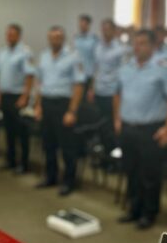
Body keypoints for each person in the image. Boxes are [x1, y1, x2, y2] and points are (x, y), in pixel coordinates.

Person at [114, 29, 167, 230]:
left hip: (150, 128)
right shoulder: (126, 67)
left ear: (152, 46)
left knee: (149, 175)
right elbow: (117, 94)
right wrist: (117, 118)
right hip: (128, 126)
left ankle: (149, 212)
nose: (137, 47)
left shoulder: (163, 68)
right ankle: (134, 209)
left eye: (142, 43)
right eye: (135, 43)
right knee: (131, 171)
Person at [33, 26, 85, 195]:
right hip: (47, 103)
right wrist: (38, 105)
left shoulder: (73, 57)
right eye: (52, 37)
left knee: (67, 146)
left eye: (59, 37)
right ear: (48, 39)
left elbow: (79, 86)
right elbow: (39, 83)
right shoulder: (44, 56)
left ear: (63, 39)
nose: (55, 40)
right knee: (48, 145)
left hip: (63, 105)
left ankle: (69, 181)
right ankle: (51, 177)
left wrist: (72, 111)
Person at [0, 24, 36, 174]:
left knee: (21, 133)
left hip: (18, 97)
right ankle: (10, 160)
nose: (9, 37)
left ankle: (23, 164)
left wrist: (25, 96)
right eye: (8, 34)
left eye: (12, 34)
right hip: (5, 96)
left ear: (18, 36)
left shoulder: (25, 52)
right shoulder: (2, 52)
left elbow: (30, 76)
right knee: (9, 131)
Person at [88, 19, 126, 157]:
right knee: (101, 125)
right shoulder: (98, 47)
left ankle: (113, 155)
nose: (105, 32)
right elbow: (96, 69)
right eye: (103, 29)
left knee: (112, 125)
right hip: (99, 90)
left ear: (114, 31)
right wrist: (91, 88)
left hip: (112, 92)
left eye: (108, 29)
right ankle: (103, 153)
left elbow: (123, 72)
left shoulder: (120, 49)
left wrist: (120, 92)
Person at [73, 14, 98, 92]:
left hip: (89, 74)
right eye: (80, 24)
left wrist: (94, 77)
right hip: (77, 74)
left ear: (88, 25)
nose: (81, 26)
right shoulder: (76, 38)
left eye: (84, 24)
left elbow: (96, 59)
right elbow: (75, 55)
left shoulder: (94, 39)